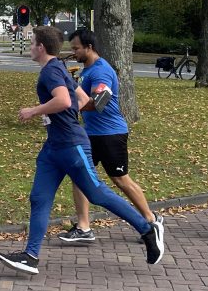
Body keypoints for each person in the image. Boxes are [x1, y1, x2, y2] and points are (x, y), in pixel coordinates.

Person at [0, 26, 164, 275]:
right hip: (53, 148)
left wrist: (34, 110)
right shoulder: (60, 70)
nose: (30, 47)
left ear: (41, 47)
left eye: (32, 43)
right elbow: (84, 101)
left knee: (97, 193)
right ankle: (30, 255)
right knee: (39, 198)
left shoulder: (51, 71)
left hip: (72, 145)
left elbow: (65, 101)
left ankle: (147, 228)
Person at [60, 30, 160, 243]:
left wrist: (70, 99)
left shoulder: (101, 71)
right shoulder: (87, 69)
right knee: (80, 177)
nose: (73, 52)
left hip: (110, 135)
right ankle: (84, 227)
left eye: (76, 48)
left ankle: (151, 220)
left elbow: (98, 103)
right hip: (90, 134)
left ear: (89, 47)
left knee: (120, 179)